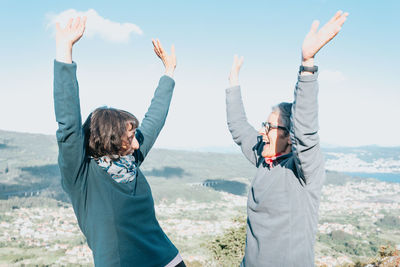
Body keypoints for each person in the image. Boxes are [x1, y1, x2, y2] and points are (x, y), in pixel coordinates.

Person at [53, 17, 185, 267]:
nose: (137, 145)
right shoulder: (82, 178)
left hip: (170, 261)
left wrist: (169, 72)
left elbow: (154, 119)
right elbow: (68, 126)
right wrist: (64, 50)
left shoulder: (129, 161)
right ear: (110, 140)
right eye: (131, 138)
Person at [226, 11, 348, 266]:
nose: (262, 132)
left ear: (289, 137)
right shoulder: (264, 158)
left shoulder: (303, 172)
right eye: (264, 125)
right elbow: (238, 127)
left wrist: (307, 65)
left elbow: (306, 131)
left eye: (269, 127)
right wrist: (233, 84)